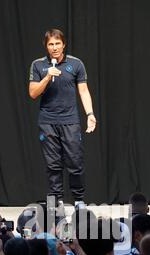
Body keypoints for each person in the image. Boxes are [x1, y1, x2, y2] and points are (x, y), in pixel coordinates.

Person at [29, 28, 96, 206]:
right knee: (53, 165)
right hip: (47, 122)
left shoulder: (76, 64)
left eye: (58, 43)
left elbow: (83, 90)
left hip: (70, 121)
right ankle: (56, 202)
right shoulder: (38, 65)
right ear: (46, 46)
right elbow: (33, 93)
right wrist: (46, 77)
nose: (55, 47)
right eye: (51, 44)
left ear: (64, 44)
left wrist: (90, 114)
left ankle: (79, 200)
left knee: (75, 162)